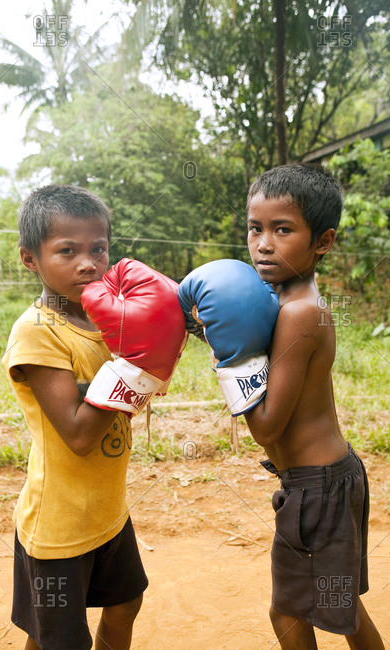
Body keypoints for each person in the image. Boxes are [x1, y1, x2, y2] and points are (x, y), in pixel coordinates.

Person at [2, 185, 150, 650]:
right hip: (59, 523)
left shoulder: (106, 318)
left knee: (125, 605)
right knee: (61, 640)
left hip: (106, 510)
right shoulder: (36, 330)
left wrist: (159, 336)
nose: (88, 263)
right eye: (67, 251)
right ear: (31, 259)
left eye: (98, 249)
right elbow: (79, 432)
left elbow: (127, 399)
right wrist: (140, 364)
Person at [243, 163, 384, 649]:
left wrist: (229, 359)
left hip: (317, 489)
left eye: (282, 229)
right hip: (319, 482)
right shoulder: (285, 300)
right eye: (255, 228)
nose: (263, 243)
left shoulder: (301, 313)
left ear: (322, 241)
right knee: (338, 604)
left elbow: (265, 426)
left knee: (288, 613)